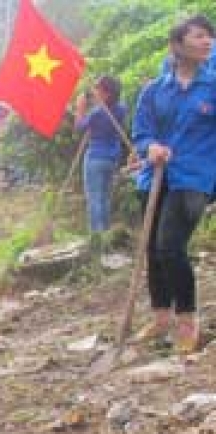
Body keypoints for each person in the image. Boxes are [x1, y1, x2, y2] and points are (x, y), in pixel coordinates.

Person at [131, 14, 216, 354]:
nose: (207, 41)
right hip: (154, 177)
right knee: (152, 248)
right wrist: (150, 147)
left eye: (210, 36)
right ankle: (161, 316)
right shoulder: (154, 90)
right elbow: (141, 131)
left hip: (194, 178)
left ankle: (187, 321)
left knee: (170, 245)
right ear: (177, 45)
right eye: (199, 36)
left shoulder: (213, 86)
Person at [75, 76, 129, 235]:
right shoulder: (121, 109)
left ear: (107, 93)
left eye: (98, 88)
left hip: (95, 159)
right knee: (105, 198)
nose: (95, 91)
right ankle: (105, 233)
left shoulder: (97, 113)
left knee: (94, 199)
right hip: (112, 159)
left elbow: (79, 126)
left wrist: (80, 109)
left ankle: (97, 236)